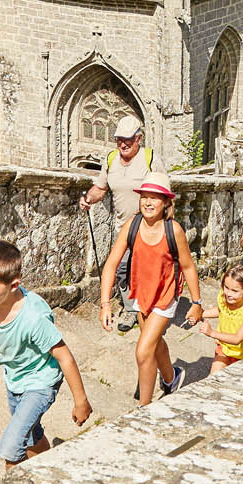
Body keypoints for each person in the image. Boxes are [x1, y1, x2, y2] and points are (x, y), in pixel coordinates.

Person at [0, 240, 92, 468]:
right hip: (14, 380)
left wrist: (80, 401)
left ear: (13, 285)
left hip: (41, 383)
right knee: (31, 437)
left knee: (11, 447)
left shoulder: (33, 317)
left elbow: (64, 357)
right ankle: (48, 466)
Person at [99, 173, 203, 404]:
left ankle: (144, 409)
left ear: (166, 202)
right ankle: (171, 377)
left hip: (165, 296)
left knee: (143, 350)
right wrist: (106, 304)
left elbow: (187, 266)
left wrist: (196, 304)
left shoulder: (173, 230)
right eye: (144, 197)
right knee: (153, 342)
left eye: (154, 198)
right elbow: (111, 264)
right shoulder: (132, 225)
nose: (147, 202)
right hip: (139, 294)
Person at [79, 113, 150, 332]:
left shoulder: (150, 159)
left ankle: (146, 308)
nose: (122, 143)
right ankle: (131, 309)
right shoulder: (111, 159)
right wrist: (89, 198)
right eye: (119, 138)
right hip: (123, 229)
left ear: (138, 138)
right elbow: (101, 187)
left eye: (127, 139)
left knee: (145, 270)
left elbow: (164, 193)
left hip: (148, 228)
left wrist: (166, 226)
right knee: (122, 270)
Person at [198, 264, 243, 370]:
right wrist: (201, 314)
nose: (228, 293)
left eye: (235, 291)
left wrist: (212, 333)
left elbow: (237, 339)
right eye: (226, 287)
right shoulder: (224, 298)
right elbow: (222, 311)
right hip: (224, 348)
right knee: (214, 378)